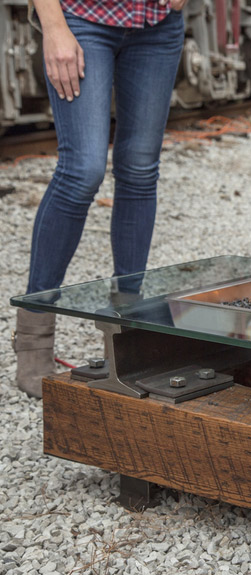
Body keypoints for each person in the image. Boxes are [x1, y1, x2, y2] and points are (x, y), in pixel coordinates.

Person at [13, 0, 187, 398]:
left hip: (158, 26)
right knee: (81, 171)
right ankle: (34, 333)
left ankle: (125, 334)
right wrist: (52, 24)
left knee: (140, 170)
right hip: (82, 20)